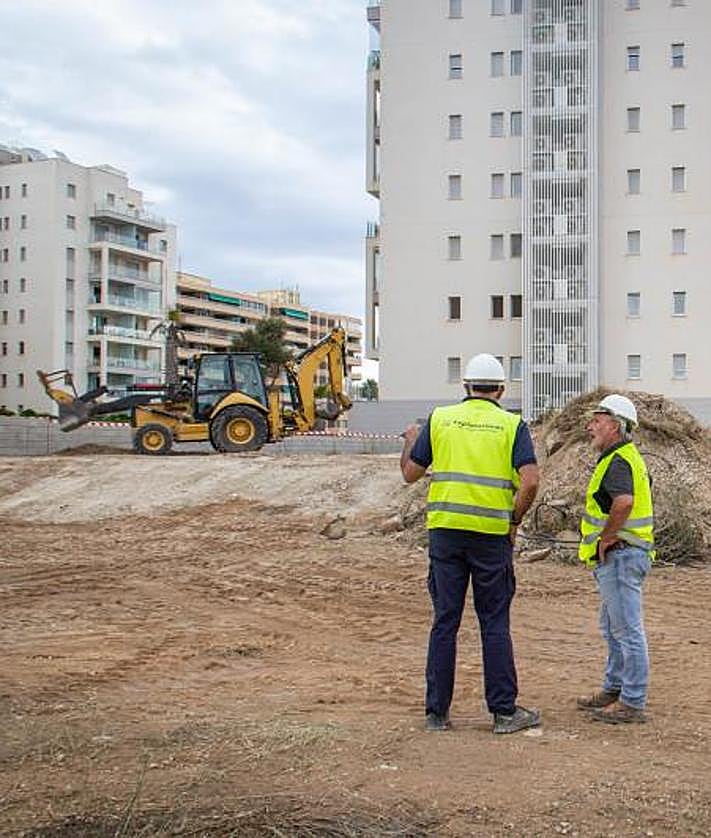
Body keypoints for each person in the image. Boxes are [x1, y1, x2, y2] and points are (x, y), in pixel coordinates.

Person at [400, 353, 541, 734]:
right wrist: (514, 519)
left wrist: (411, 442)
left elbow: (410, 474)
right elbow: (530, 481)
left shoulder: (440, 419)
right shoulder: (511, 425)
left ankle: (436, 713)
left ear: (465, 386)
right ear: (501, 390)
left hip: (446, 533)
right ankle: (504, 712)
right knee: (493, 621)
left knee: (445, 621)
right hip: (491, 536)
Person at [576, 394, 655, 724]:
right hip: (622, 555)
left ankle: (632, 701)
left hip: (622, 555)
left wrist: (607, 537)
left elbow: (623, 503)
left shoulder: (619, 460)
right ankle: (615, 688)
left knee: (626, 630)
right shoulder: (624, 457)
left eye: (597, 420)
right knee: (613, 628)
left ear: (615, 425)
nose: (590, 426)